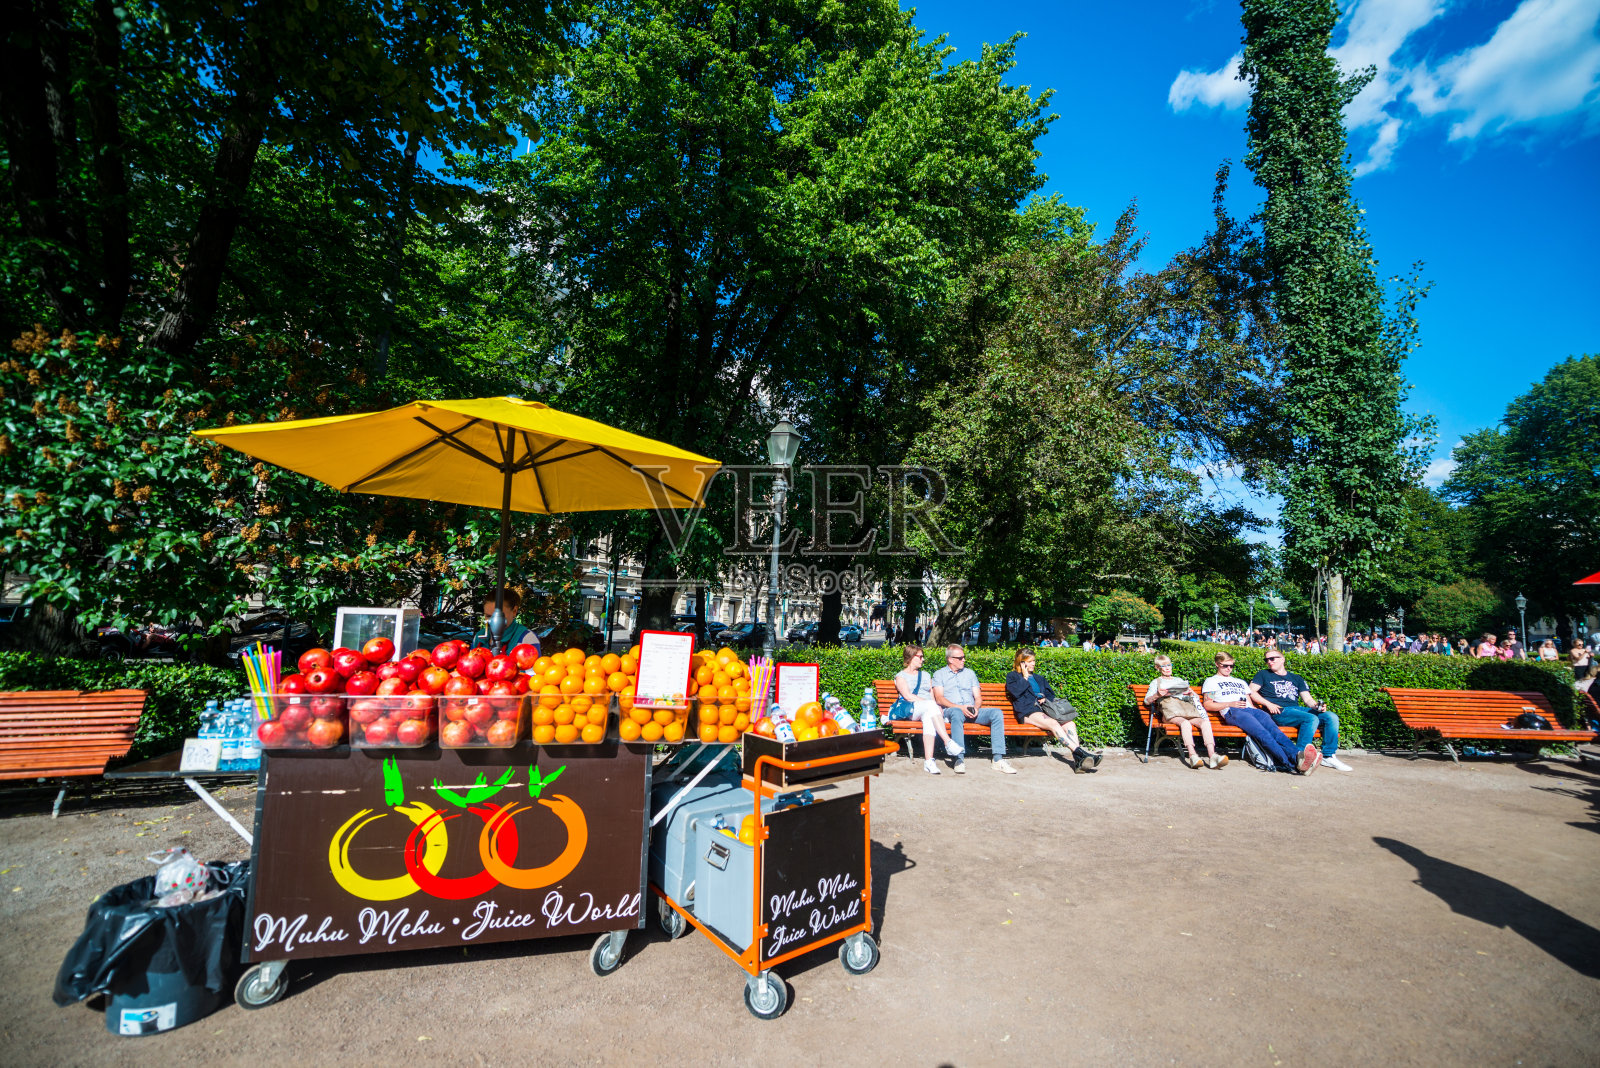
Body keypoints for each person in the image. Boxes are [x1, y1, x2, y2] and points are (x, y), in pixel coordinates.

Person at [1201, 651, 1318, 774]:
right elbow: (1208, 704)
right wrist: (1229, 704)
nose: (1228, 669)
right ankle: (1292, 764)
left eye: (1231, 666)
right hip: (1233, 711)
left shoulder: (1240, 682)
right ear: (1217, 664)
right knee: (1263, 734)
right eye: (1225, 665)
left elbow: (1248, 701)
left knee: (1275, 732)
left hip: (1250, 710)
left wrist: (1256, 711)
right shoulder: (1212, 681)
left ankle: (1298, 756)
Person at [1249, 651, 1350, 771]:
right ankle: (1299, 757)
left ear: (1282, 659)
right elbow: (1251, 691)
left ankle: (1328, 756)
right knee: (1310, 718)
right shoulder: (1263, 674)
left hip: (1297, 710)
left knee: (1331, 717)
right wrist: (1268, 703)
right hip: (1279, 711)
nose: (1269, 662)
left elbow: (1307, 699)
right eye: (1266, 660)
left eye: (1272, 659)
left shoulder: (1296, 678)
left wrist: (1317, 706)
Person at [1005, 648, 1101, 772]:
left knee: (1070, 724)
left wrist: (1044, 698)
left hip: (1045, 710)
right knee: (1053, 723)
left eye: (1034, 660)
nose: (1034, 663)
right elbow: (1016, 692)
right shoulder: (1013, 676)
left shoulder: (1039, 678)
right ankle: (1081, 753)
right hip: (1027, 712)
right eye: (1030, 661)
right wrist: (1024, 677)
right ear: (1021, 662)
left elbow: (1051, 695)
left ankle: (1078, 761)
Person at [931, 645, 1017, 775]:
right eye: (960, 658)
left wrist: (976, 708)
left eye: (964, 657)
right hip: (953, 710)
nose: (963, 660)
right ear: (950, 659)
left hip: (972, 710)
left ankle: (998, 760)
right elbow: (939, 699)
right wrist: (960, 707)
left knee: (996, 713)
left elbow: (978, 697)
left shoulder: (970, 673)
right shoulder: (939, 674)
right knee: (956, 712)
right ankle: (959, 759)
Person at [1143, 654, 1226, 769]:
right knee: (1185, 724)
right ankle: (1192, 755)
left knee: (1205, 723)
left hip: (1186, 711)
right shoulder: (1156, 682)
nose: (1167, 668)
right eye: (1164, 666)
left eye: (1169, 665)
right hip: (1170, 713)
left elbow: (1192, 698)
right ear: (1158, 668)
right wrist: (1157, 695)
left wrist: (1191, 694)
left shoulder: (1179, 680)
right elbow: (1146, 701)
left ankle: (1212, 756)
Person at [894, 645, 963, 775]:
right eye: (919, 657)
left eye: (922, 656)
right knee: (930, 706)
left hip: (927, 710)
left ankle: (929, 761)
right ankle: (948, 742)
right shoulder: (901, 676)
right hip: (911, 709)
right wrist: (931, 704)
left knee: (929, 718)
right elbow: (908, 696)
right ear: (910, 658)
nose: (922, 659)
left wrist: (935, 707)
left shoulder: (925, 675)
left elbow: (932, 694)